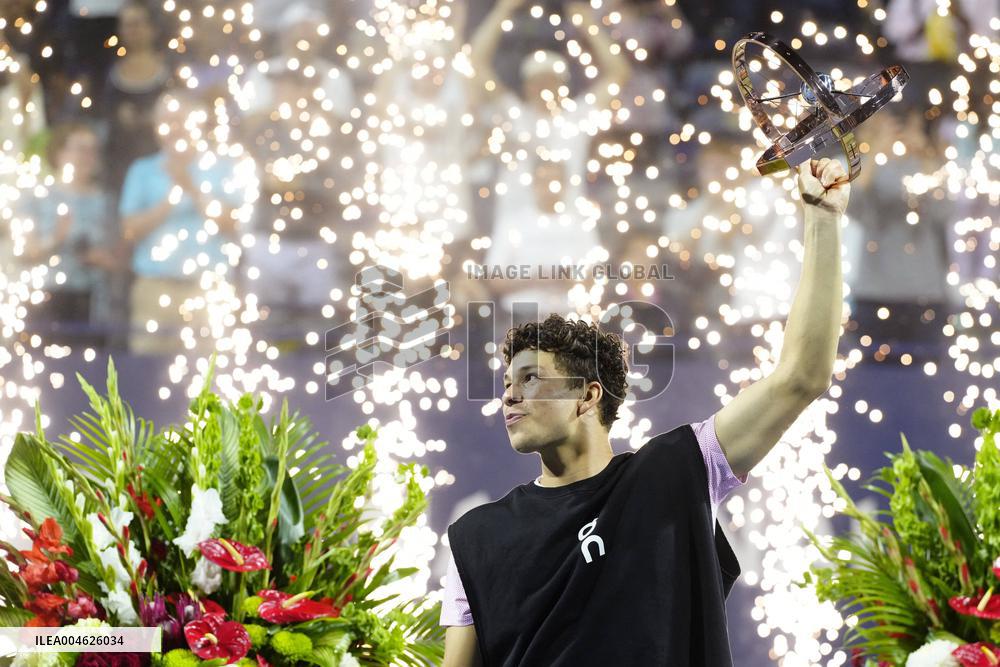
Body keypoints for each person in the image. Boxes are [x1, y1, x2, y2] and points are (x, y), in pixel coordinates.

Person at [439, 157, 851, 666]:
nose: (509, 395)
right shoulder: (475, 537)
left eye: (530, 378)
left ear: (587, 397)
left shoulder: (675, 471)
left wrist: (823, 218)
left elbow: (801, 377)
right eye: (506, 383)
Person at [467, 0, 630, 319]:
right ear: (527, 86)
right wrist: (503, 10)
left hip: (568, 227)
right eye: (538, 80)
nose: (545, 87)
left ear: (563, 85)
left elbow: (619, 73)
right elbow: (474, 63)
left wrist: (588, 24)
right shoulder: (515, 115)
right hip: (516, 232)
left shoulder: (575, 117)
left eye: (552, 80)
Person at [119, 90, 244, 355]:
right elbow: (130, 231)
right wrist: (167, 204)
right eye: (165, 122)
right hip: (155, 288)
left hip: (210, 289)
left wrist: (192, 188)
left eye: (179, 120)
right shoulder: (142, 170)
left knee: (214, 375)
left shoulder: (225, 167)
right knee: (147, 373)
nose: (173, 129)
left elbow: (233, 225)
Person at [20, 122, 122, 346]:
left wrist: (102, 259)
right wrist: (56, 239)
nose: (88, 156)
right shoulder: (36, 197)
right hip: (45, 299)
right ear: (59, 153)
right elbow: (26, 252)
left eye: (93, 150)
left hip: (94, 303)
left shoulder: (107, 202)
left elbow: (120, 256)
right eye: (80, 149)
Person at [99, 0, 172, 195]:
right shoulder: (110, 72)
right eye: (127, 25)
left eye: (138, 23)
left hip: (162, 166)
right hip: (119, 168)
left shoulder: (170, 71)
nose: (132, 30)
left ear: (152, 28)